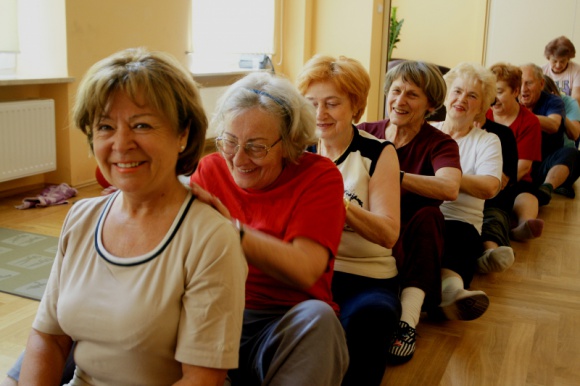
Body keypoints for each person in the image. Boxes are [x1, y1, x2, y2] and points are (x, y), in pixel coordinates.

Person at [11, 47, 248, 386]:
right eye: (105, 126)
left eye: (141, 125)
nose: (121, 144)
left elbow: (201, 379)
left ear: (183, 134)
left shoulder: (211, 238)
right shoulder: (81, 217)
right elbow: (48, 338)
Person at [189, 71, 349, 386]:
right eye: (229, 141)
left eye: (256, 147)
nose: (237, 158)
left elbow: (305, 269)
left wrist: (229, 231)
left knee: (320, 320)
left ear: (289, 144)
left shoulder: (319, 177)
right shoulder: (210, 169)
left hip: (285, 320)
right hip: (215, 313)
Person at [296, 54, 401, 384]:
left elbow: (388, 234)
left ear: (355, 107)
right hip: (308, 270)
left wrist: (338, 203)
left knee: (371, 318)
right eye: (311, 103)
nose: (319, 114)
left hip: (366, 276)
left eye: (331, 103)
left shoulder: (379, 153)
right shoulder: (299, 153)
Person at [359, 60, 462, 363]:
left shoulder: (440, 143)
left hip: (409, 238)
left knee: (431, 216)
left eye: (412, 95)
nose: (400, 101)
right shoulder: (365, 132)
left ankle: (407, 321)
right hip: (366, 228)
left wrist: (393, 174)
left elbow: (449, 188)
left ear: (430, 104)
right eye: (396, 91)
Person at [430, 62, 503, 321]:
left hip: (461, 221)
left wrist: (447, 179)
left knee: (459, 238)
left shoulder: (487, 141)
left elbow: (489, 186)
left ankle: (453, 292)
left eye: (472, 96)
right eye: (457, 91)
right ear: (447, 96)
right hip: (423, 213)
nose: (462, 99)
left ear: (481, 108)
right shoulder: (427, 131)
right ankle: (438, 294)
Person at [487, 63, 544, 242]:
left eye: (499, 91)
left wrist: (500, 182)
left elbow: (523, 166)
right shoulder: (483, 114)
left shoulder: (530, 122)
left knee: (527, 196)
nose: (493, 98)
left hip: (515, 180)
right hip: (485, 176)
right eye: (490, 92)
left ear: (515, 92)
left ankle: (524, 224)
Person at [519, 63, 577, 205]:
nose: (523, 89)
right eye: (519, 83)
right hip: (519, 163)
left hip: (545, 163)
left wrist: (522, 117)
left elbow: (553, 125)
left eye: (529, 83)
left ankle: (546, 188)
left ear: (541, 83)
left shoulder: (554, 101)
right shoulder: (511, 100)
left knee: (572, 154)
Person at [543, 74, 580, 198]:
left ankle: (547, 187)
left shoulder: (568, 102)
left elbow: (575, 134)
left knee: (573, 154)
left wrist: (558, 111)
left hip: (562, 151)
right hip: (538, 155)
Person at [542, 36, 580, 108]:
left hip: (569, 109)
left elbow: (576, 100)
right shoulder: (542, 71)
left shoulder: (577, 70)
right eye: (554, 61)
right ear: (548, 58)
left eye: (562, 61)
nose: (558, 65)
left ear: (569, 58)